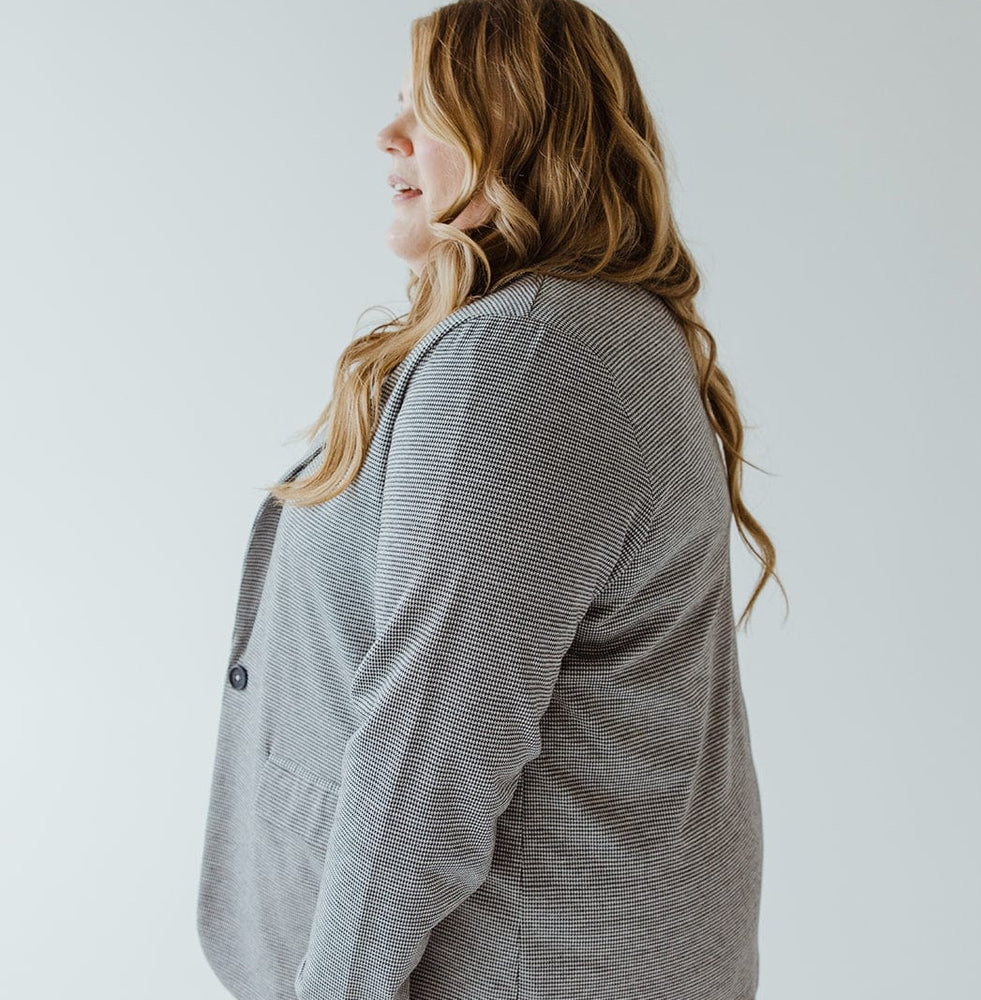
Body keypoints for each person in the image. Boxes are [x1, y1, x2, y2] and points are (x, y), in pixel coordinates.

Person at [196, 1, 785, 998]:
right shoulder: (583, 336)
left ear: (523, 129)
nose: (388, 136)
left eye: (428, 109)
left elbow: (431, 744)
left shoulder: (524, 358)